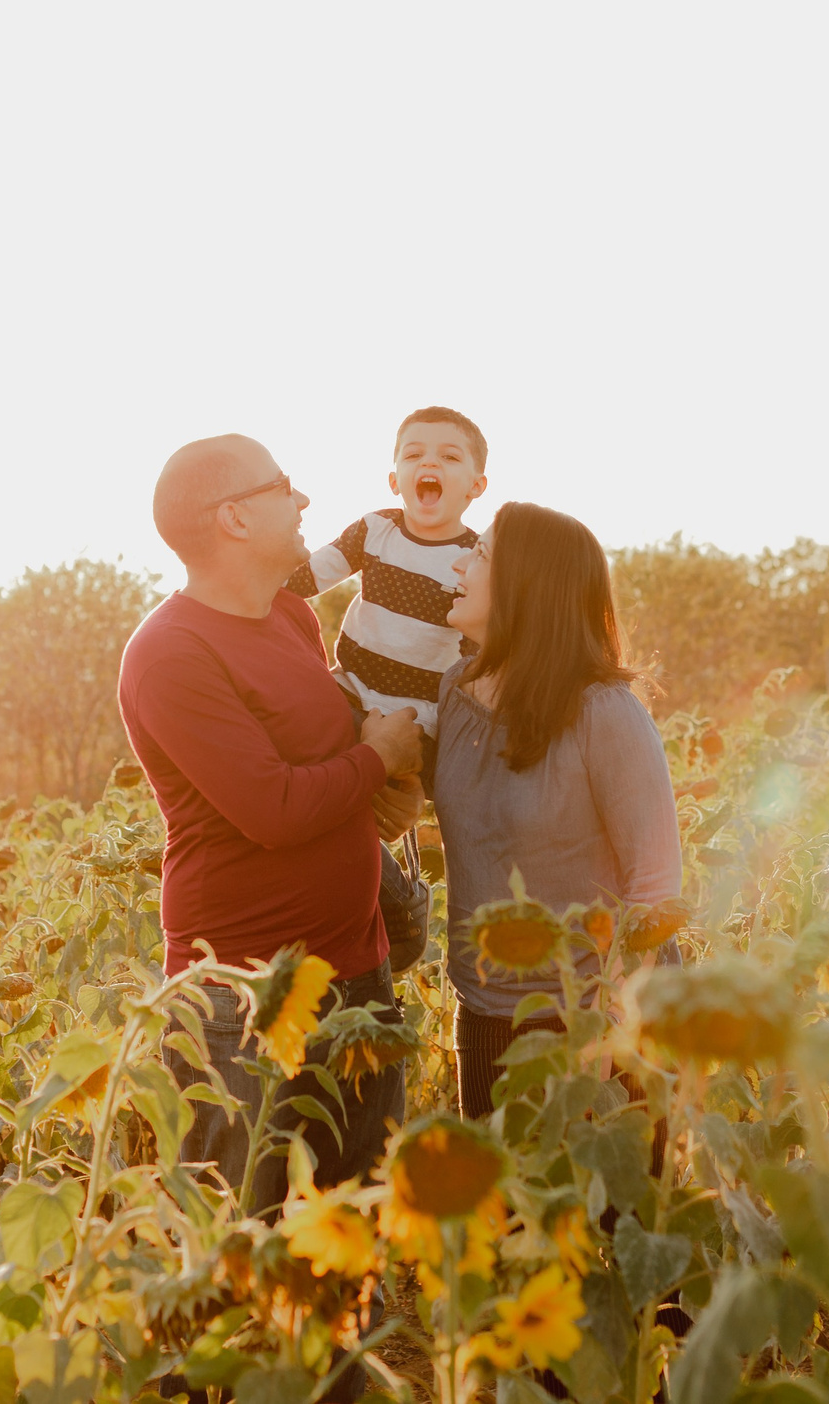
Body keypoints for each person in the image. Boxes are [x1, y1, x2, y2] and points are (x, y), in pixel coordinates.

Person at [119, 434, 425, 1212]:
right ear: (234, 518)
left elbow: (317, 757)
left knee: (351, 1229)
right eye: (284, 486)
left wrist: (382, 788)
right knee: (246, 1238)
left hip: (357, 970)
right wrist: (379, 757)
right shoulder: (170, 652)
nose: (304, 500)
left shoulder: (292, 615)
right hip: (243, 999)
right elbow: (274, 811)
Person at [432, 502, 684, 1118]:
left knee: (609, 1213)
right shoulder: (454, 691)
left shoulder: (605, 712)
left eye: (483, 553)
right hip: (487, 1013)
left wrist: (609, 1025)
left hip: (594, 1016)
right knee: (507, 1212)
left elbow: (655, 887)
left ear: (527, 585)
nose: (461, 562)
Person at [285, 407, 489, 777]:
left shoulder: (474, 557)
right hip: (349, 687)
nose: (430, 462)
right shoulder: (375, 529)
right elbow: (308, 578)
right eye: (414, 454)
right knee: (302, 738)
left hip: (420, 713)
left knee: (396, 784)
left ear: (476, 485)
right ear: (395, 481)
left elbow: (481, 644)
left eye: (449, 456)